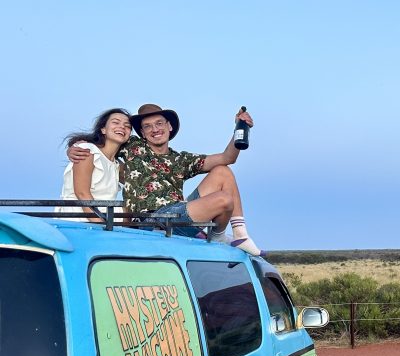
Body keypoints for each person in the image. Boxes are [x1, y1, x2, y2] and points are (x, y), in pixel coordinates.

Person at [69, 103, 262, 255]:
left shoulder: (180, 159)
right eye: (147, 126)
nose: (154, 129)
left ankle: (236, 235)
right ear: (142, 133)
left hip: (177, 214)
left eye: (159, 123)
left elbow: (228, 157)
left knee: (223, 171)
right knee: (224, 200)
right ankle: (218, 235)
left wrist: (241, 127)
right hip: (151, 221)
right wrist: (74, 147)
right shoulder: (133, 148)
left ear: (169, 126)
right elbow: (104, 143)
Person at [56, 108, 132, 221]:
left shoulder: (117, 165)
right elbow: (82, 193)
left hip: (106, 218)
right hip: (81, 220)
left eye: (127, 126)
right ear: (103, 129)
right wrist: (101, 224)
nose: (122, 127)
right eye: (115, 122)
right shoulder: (88, 151)